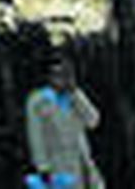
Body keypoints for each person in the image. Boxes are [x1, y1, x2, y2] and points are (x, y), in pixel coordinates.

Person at [25, 54, 104, 188]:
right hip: (57, 164)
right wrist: (43, 167)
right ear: (48, 76)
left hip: (83, 161)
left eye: (65, 73)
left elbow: (93, 121)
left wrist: (75, 93)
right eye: (56, 74)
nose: (61, 78)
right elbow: (35, 135)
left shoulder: (74, 96)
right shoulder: (38, 100)